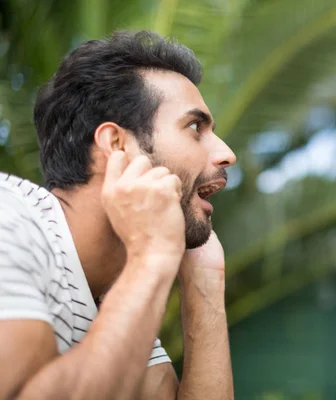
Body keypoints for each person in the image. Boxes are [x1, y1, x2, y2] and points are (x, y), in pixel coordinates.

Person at [0, 31, 236, 399]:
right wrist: (153, 256)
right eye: (195, 127)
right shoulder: (8, 217)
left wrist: (205, 281)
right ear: (117, 146)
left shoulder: (113, 302)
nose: (226, 153)